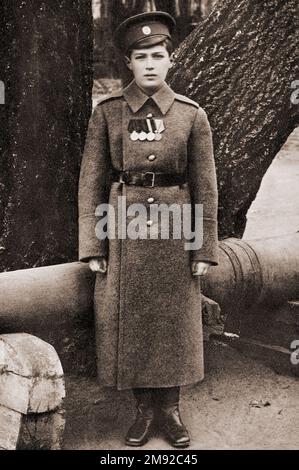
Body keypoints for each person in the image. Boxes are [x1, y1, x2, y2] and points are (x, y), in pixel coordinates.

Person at [78, 11, 219, 448]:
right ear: (129, 63)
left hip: (177, 231)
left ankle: (171, 410)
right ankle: (142, 410)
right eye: (142, 57)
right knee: (133, 319)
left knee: (173, 321)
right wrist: (92, 244)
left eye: (159, 55)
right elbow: (91, 181)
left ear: (171, 60)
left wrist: (202, 249)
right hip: (123, 230)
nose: (151, 64)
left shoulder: (192, 116)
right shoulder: (109, 114)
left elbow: (205, 189)